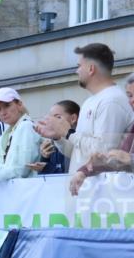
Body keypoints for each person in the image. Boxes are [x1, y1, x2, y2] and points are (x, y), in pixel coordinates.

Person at [35, 43, 134, 173]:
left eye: (79, 66)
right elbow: (77, 153)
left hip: (102, 189)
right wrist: (58, 136)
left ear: (91, 69)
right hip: (85, 187)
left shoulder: (112, 101)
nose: (76, 71)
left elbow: (103, 153)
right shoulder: (90, 101)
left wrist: (69, 133)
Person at [34, 100, 80, 175]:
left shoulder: (79, 140)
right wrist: (45, 157)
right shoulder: (53, 141)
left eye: (58, 117)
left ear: (73, 119)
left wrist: (46, 167)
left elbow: (68, 172)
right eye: (51, 118)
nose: (52, 122)